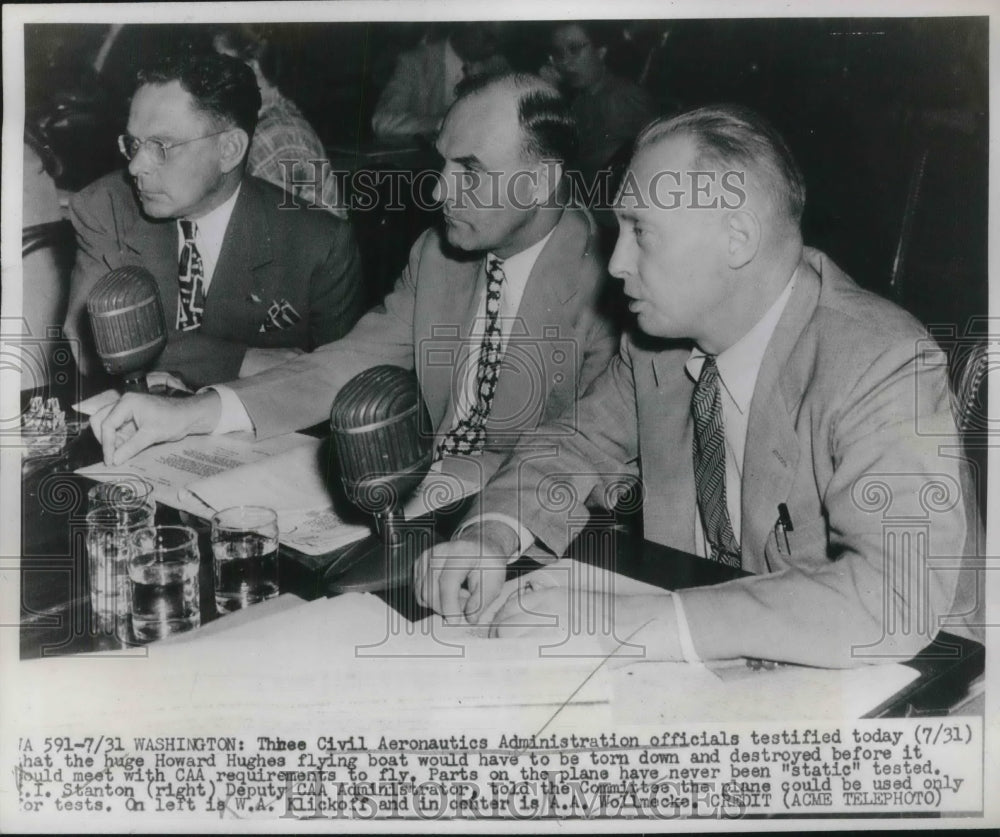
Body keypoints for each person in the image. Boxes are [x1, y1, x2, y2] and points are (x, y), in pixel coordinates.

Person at [415, 104, 976, 669]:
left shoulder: (882, 362)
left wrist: (624, 624)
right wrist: (489, 536)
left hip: (922, 675)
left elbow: (895, 597)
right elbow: (572, 446)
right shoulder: (657, 346)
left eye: (641, 231)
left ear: (737, 238)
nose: (616, 263)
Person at [91, 73, 618, 491]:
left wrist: (462, 484)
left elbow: (593, 457)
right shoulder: (438, 255)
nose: (439, 191)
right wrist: (189, 414)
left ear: (540, 181)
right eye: (442, 164)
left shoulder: (613, 286)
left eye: (471, 171)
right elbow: (344, 365)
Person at [63, 52, 364, 388]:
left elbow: (339, 382)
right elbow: (90, 341)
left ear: (229, 150)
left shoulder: (320, 244)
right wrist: (241, 361)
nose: (136, 166)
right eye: (134, 144)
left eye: (161, 146)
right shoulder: (104, 207)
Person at [212, 24, 347, 219]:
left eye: (222, 67)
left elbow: (264, 231)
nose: (215, 81)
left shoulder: (274, 137)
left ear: (252, 66)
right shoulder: (270, 121)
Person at [546, 22, 657, 191]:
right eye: (558, 53)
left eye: (574, 49)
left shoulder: (623, 98)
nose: (565, 62)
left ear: (601, 51)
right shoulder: (580, 99)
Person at [372, 23, 509, 141]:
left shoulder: (498, 65)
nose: (493, 47)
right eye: (487, 35)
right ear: (464, 22)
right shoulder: (414, 62)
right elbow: (382, 122)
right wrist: (443, 124)